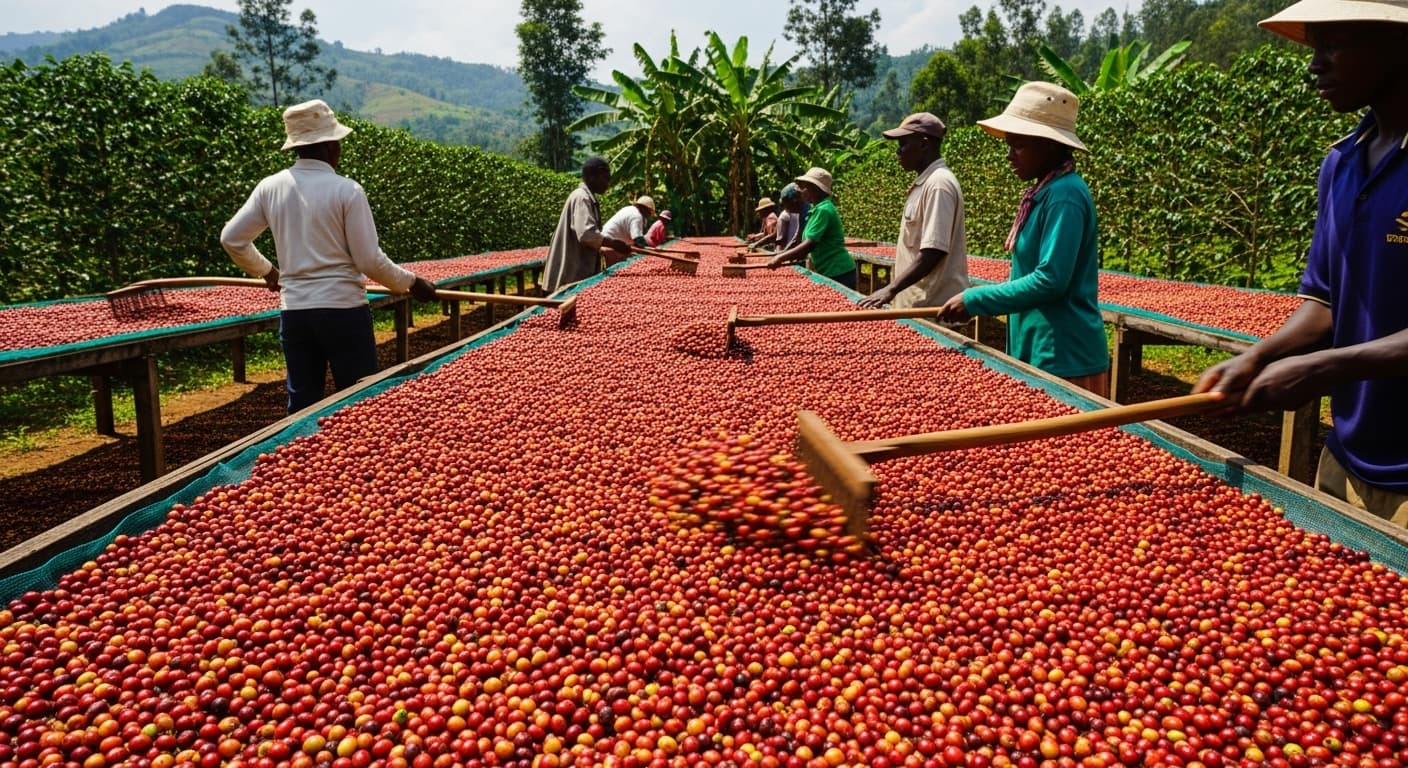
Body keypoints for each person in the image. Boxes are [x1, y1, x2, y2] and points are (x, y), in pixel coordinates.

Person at [1193, 1, 1408, 523]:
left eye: (1331, 45)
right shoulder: (1342, 162)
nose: (1314, 65)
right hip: (1344, 457)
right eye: (1315, 47)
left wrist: (1325, 366)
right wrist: (1258, 356)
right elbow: (1325, 303)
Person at [220, 99, 438, 415]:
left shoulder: (271, 188)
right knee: (359, 402)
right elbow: (368, 261)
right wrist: (413, 283)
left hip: (295, 313)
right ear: (330, 146)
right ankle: (355, 462)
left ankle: (298, 460)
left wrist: (268, 271)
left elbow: (232, 239)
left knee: (302, 408)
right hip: (343, 312)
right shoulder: (346, 190)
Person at [936, 82, 1108, 396]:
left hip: (1063, 354)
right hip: (1038, 346)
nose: (1009, 156)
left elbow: (1050, 279)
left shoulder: (1064, 196)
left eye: (1018, 146)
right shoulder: (1045, 192)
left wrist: (976, 299)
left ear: (1050, 145)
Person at [859, 112, 970, 313]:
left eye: (903, 144)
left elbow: (933, 250)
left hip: (929, 306)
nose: (898, 152)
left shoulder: (938, 184)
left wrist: (890, 289)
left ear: (923, 144)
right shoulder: (927, 182)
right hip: (915, 303)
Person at [542, 157, 632, 293]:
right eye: (605, 178)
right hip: (569, 274)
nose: (608, 183)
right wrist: (614, 244)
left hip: (576, 270)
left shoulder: (587, 198)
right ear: (591, 177)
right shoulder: (581, 197)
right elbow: (586, 234)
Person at [767, 167, 858, 290]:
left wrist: (780, 257)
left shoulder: (823, 210)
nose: (802, 191)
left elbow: (810, 244)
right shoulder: (816, 210)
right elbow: (801, 240)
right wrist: (783, 255)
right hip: (830, 270)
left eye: (804, 187)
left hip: (839, 271)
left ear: (815, 189)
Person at [773, 184, 806, 251]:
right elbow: (797, 238)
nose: (786, 208)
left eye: (786, 205)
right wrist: (783, 253)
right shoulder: (801, 213)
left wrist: (781, 256)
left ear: (794, 201)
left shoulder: (808, 212)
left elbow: (808, 243)